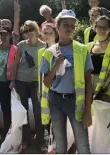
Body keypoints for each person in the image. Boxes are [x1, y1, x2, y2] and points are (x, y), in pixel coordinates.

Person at [40, 9, 93, 153]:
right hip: (55, 100)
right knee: (60, 141)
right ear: (57, 26)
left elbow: (88, 82)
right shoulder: (48, 53)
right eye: (65, 24)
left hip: (75, 101)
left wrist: (88, 110)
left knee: (82, 142)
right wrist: (55, 66)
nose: (69, 28)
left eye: (72, 25)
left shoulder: (82, 50)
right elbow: (46, 82)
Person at [11, 20, 46, 152]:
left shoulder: (44, 45)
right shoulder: (20, 45)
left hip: (37, 82)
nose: (28, 33)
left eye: (31, 29)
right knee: (23, 111)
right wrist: (13, 80)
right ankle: (25, 139)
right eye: (25, 31)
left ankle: (41, 140)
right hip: (21, 81)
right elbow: (15, 64)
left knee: (38, 112)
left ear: (36, 30)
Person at [87, 15, 110, 103]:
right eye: (99, 27)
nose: (102, 30)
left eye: (105, 27)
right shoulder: (89, 46)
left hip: (107, 86)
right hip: (89, 85)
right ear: (95, 27)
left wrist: (103, 89)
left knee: (103, 115)